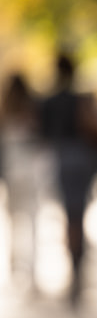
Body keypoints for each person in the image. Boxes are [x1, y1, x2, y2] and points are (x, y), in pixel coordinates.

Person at [40, 53, 97, 306]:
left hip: (62, 159)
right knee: (79, 214)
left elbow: (42, 134)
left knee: (70, 215)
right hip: (83, 160)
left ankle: (75, 265)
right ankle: (78, 268)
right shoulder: (83, 100)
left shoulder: (48, 102)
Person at [0, 72, 44, 293]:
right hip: (30, 173)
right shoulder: (32, 111)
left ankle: (15, 267)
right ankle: (31, 271)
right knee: (32, 222)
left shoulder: (5, 112)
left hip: (12, 173)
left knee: (14, 223)